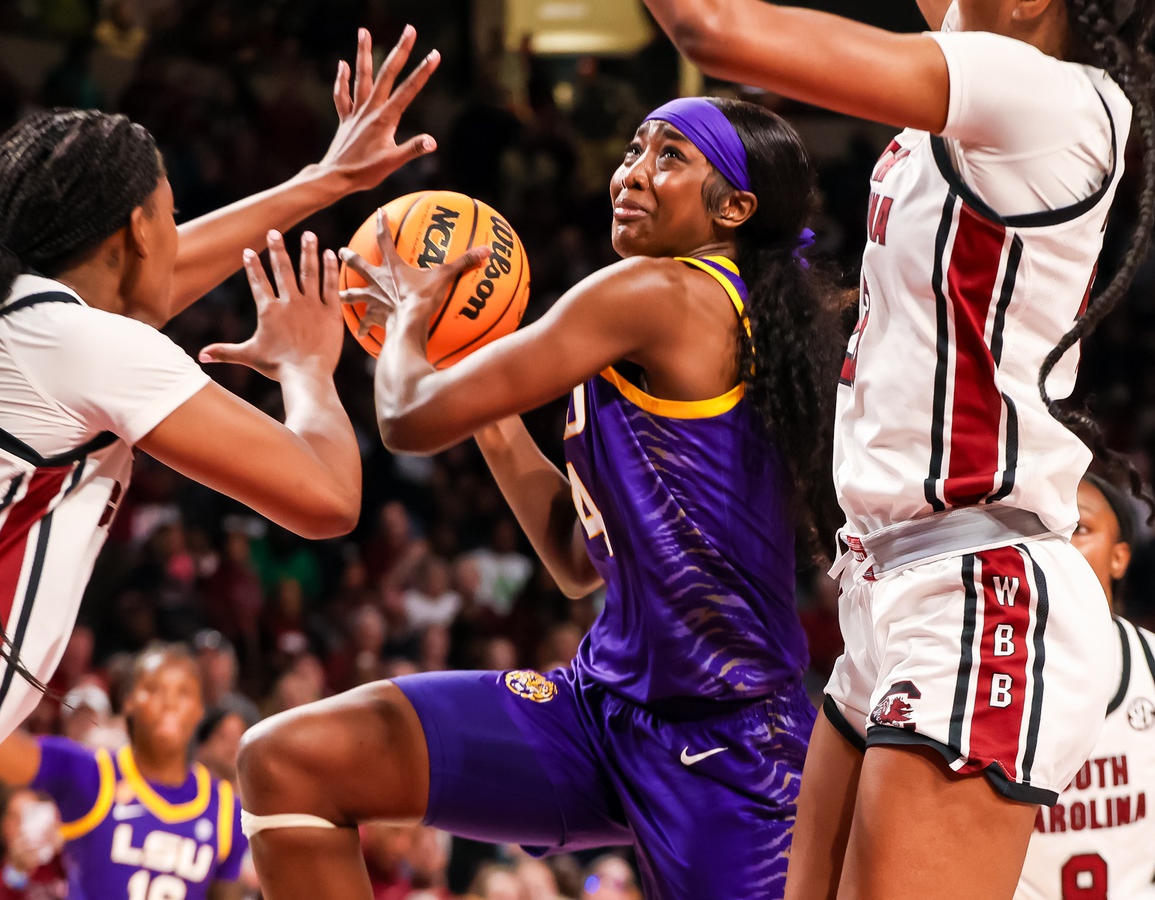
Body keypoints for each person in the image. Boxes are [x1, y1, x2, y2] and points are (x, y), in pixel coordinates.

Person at [0, 25, 440, 898]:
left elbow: (152, 283)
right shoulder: (76, 343)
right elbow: (326, 497)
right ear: (134, 228)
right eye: (169, 215)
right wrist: (308, 369)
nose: (179, 236)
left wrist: (326, 183)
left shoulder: (0, 323)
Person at [235, 95, 843, 899]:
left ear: (733, 208)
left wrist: (412, 318)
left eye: (670, 157)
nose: (633, 172)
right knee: (289, 760)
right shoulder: (659, 314)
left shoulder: (660, 294)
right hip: (601, 711)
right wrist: (486, 410)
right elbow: (572, 561)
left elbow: (409, 418)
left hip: (728, 746)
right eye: (634, 149)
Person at [639, 0, 1155, 896]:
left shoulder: (1036, 92)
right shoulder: (992, 83)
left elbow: (714, 29)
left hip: (980, 586)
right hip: (896, 581)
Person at [1016, 474, 1155, 899]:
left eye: (1079, 529)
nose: (1058, 544)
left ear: (1119, 558)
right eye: (1043, 529)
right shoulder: (974, 682)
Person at [0, 646, 246, 900]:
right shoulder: (90, 774)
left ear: (199, 709)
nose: (169, 703)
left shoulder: (225, 809)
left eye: (183, 692)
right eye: (154, 689)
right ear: (128, 701)